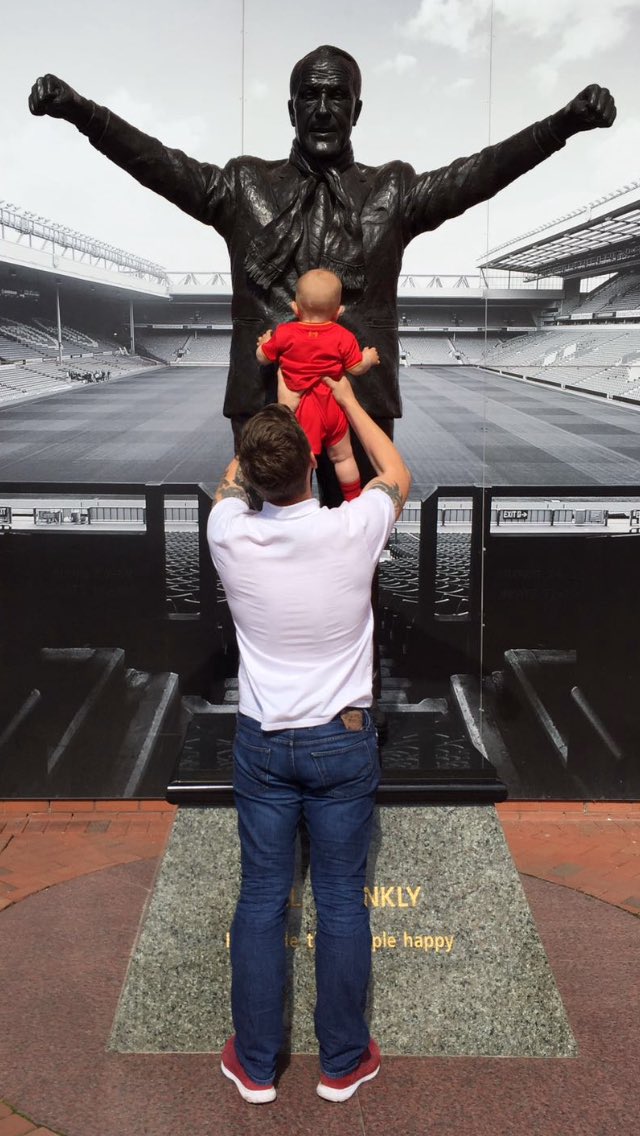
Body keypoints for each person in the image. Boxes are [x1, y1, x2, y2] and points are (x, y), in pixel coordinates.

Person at [29, 49, 615, 482]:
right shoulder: (243, 184)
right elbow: (158, 163)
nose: (325, 109)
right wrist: (84, 113)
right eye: (310, 96)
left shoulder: (392, 190)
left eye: (337, 96)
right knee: (262, 547)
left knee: (357, 553)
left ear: (358, 109)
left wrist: (560, 125)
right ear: (291, 109)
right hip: (264, 404)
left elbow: (478, 173)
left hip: (359, 405)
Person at [207, 374, 411, 1104]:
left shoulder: (226, 530)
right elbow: (396, 472)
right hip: (342, 742)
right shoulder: (353, 527)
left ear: (252, 471)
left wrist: (282, 409)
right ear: (310, 463)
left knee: (263, 898)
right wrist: (348, 401)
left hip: (264, 745)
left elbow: (231, 481)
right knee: (342, 901)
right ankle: (342, 1063)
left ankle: (257, 1066)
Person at [256, 268, 380, 501]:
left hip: (300, 410)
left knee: (301, 462)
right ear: (339, 311)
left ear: (295, 308)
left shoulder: (285, 332)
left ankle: (302, 506)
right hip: (333, 408)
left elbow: (263, 358)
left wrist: (264, 343)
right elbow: (356, 367)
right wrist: (369, 358)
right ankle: (354, 500)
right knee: (344, 458)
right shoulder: (343, 336)